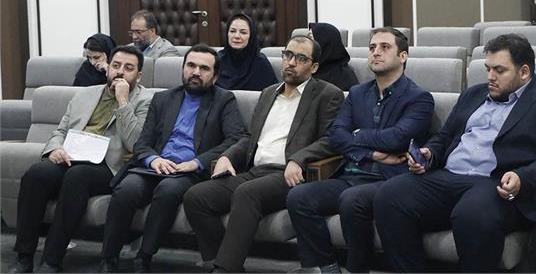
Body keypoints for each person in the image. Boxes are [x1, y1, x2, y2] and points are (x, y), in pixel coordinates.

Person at [373, 34, 536, 272]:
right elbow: (444, 136)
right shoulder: (473, 94)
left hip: (497, 184)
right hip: (449, 177)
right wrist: (430, 153)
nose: (490, 77)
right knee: (390, 195)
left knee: (472, 212)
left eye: (499, 70)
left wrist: (523, 177)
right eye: (488, 69)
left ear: (524, 72)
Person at [183, 35, 344, 273]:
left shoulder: (327, 94)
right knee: (196, 196)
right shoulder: (268, 93)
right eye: (288, 55)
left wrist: (298, 159)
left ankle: (225, 269)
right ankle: (221, 260)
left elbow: (331, 139)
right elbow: (250, 136)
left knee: (246, 193)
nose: (291, 62)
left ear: (314, 67)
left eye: (301, 58)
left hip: (289, 175)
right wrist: (227, 156)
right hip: (255, 171)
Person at [287, 27, 434, 273]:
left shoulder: (419, 98)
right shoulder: (357, 93)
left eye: (385, 47)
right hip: (352, 174)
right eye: (372, 47)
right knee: (298, 197)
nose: (376, 52)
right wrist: (370, 153)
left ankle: (358, 269)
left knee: (352, 199)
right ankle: (326, 267)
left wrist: (358, 134)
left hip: (390, 180)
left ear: (403, 56)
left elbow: (398, 138)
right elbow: (336, 135)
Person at [99, 44, 246, 273]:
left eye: (204, 68)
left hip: (189, 171)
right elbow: (142, 143)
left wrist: (197, 162)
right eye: (191, 65)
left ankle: (144, 256)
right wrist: (153, 159)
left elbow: (235, 139)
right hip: (154, 166)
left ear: (215, 76)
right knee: (127, 189)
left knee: (167, 190)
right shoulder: (163, 98)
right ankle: (109, 258)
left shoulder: (224, 100)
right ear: (183, 68)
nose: (195, 72)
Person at [8, 46, 152, 273]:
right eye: (116, 66)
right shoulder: (86, 94)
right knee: (36, 174)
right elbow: (60, 131)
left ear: (139, 75)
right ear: (108, 68)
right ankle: (24, 257)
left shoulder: (146, 100)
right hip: (71, 157)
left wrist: (123, 101)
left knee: (78, 176)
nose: (120, 72)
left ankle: (52, 260)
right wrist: (54, 149)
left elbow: (136, 143)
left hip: (108, 166)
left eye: (128, 68)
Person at [215, 13, 278, 91]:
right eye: (232, 31)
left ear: (251, 36)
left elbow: (272, 94)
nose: (237, 36)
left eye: (243, 32)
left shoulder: (261, 63)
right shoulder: (217, 60)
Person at [309, 22, 358, 91]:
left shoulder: (344, 76)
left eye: (310, 38)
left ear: (323, 42)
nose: (306, 42)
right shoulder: (308, 67)